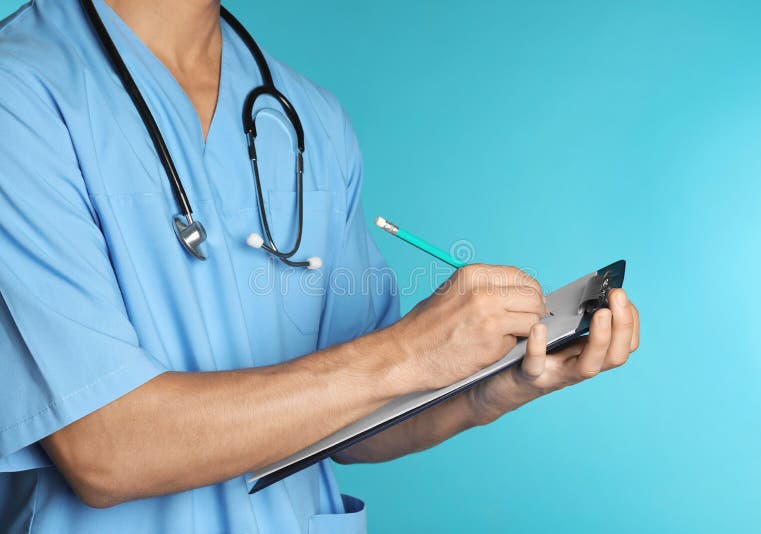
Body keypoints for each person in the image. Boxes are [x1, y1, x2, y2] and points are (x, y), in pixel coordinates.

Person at [0, 0, 640, 532]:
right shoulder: (20, 94)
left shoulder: (306, 118)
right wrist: (408, 352)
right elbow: (108, 452)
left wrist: (487, 392)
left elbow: (353, 424)